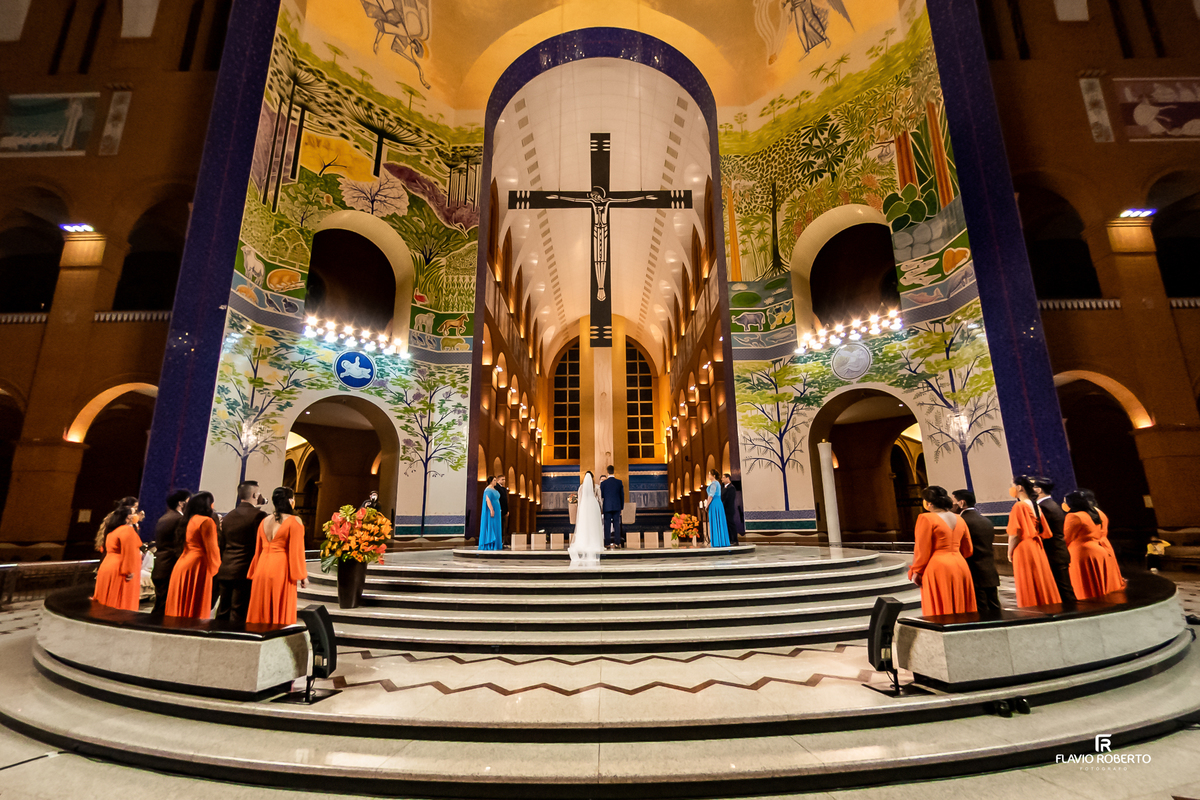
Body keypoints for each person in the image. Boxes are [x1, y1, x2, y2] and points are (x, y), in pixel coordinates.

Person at [909, 486, 976, 615]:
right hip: (960, 564)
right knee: (961, 606)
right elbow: (968, 550)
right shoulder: (960, 519)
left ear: (929, 503)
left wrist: (916, 570)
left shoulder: (926, 518)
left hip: (938, 566)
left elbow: (922, 549)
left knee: (941, 610)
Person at [246, 487, 308, 625]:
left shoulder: (265, 521)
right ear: (291, 501)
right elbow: (296, 551)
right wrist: (302, 575)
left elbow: (258, 550)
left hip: (262, 568)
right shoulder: (294, 521)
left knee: (261, 606)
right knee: (278, 609)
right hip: (280, 568)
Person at [215, 481, 268, 624]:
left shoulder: (228, 516)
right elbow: (260, 544)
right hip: (244, 570)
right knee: (239, 612)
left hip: (226, 568)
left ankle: (216, 639)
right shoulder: (259, 515)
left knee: (223, 611)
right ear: (255, 495)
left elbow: (222, 544)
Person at [1006, 475, 1062, 608]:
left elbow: (1015, 533)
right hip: (1036, 545)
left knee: (1027, 578)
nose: (1011, 489)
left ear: (1019, 487)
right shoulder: (1035, 504)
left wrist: (1009, 552)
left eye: (1012, 485)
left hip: (1024, 547)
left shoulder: (1019, 506)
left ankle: (1031, 605)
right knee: (1039, 576)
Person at [165, 492, 222, 619]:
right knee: (195, 605)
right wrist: (216, 569)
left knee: (181, 604)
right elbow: (212, 548)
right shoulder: (206, 521)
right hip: (198, 565)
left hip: (183, 562)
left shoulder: (189, 519)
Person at [1064, 490, 1126, 599]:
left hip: (1082, 553)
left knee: (1087, 585)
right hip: (1103, 548)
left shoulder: (1074, 516)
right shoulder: (1099, 512)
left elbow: (1066, 537)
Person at [952, 489, 1001, 614]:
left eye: (952, 502)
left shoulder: (962, 522)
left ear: (961, 503)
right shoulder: (985, 520)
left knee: (982, 611)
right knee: (995, 608)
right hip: (989, 570)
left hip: (973, 570)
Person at [1032, 476, 1075, 603]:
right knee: (1064, 588)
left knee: (1064, 590)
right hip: (1058, 552)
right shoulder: (1052, 504)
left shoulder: (1044, 507)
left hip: (1054, 553)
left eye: (1032, 487)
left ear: (1039, 490)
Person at [93, 505, 145, 611]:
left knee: (104, 603)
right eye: (134, 512)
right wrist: (129, 570)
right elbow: (129, 552)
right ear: (127, 517)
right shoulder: (127, 530)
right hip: (119, 569)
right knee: (118, 605)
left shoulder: (113, 531)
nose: (137, 515)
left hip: (108, 566)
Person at [150, 489, 191, 615]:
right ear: (181, 503)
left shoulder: (164, 517)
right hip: (170, 565)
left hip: (160, 563)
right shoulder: (179, 519)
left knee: (160, 602)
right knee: (164, 606)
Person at [569, 471, 603, 568]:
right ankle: (595, 542)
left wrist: (580, 510)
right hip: (594, 506)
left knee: (584, 526)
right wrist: (600, 507)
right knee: (594, 526)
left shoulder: (581, 487)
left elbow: (579, 500)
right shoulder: (596, 487)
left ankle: (584, 541)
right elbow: (600, 499)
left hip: (584, 508)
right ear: (592, 478)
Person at [600, 465, 625, 549]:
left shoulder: (603, 483)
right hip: (617, 506)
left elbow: (602, 495)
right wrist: (621, 507)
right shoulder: (619, 482)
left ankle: (607, 543)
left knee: (607, 525)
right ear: (614, 471)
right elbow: (622, 495)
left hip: (607, 506)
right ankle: (617, 543)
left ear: (607, 472)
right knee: (616, 525)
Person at [704, 470, 731, 547]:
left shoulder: (714, 484)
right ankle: (721, 540)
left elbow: (711, 495)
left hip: (714, 503)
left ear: (714, 476)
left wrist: (706, 505)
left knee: (716, 520)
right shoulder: (717, 483)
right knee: (719, 521)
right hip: (718, 503)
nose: (708, 476)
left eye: (710, 474)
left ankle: (717, 542)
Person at [478, 476, 503, 551]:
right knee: (492, 524)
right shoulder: (488, 490)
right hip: (492, 511)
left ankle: (497, 544)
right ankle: (491, 543)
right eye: (494, 480)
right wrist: (491, 509)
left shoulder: (494, 489)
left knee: (497, 525)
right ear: (491, 481)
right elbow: (488, 500)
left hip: (497, 511)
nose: (496, 482)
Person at [720, 474, 740, 546]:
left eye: (723, 477)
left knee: (731, 524)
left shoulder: (731, 488)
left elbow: (729, 499)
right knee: (727, 524)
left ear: (727, 478)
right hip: (724, 509)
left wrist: (722, 505)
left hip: (729, 509)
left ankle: (735, 540)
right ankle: (730, 539)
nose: (722, 479)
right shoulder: (724, 487)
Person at [497, 474, 510, 546]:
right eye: (502, 479)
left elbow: (505, 501)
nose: (504, 481)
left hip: (504, 510)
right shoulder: (496, 488)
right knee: (499, 525)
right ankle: (499, 541)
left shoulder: (504, 489)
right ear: (498, 480)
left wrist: (507, 510)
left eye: (504, 479)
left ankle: (503, 540)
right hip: (499, 509)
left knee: (503, 525)